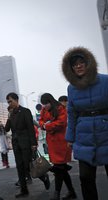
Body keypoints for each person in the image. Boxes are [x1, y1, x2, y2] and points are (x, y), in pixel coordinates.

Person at [62, 46, 108, 200]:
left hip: (106, 132)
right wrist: (70, 138)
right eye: (75, 64)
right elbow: (72, 113)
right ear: (71, 69)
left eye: (81, 62)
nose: (78, 66)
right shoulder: (71, 88)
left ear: (89, 63)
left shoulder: (105, 81)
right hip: (83, 136)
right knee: (85, 178)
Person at [4, 92, 50, 198]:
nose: (9, 103)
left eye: (11, 101)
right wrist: (9, 117)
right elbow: (7, 129)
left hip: (26, 143)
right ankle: (24, 190)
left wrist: (33, 143)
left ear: (16, 100)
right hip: (16, 143)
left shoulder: (25, 111)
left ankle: (44, 177)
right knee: (19, 167)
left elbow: (30, 128)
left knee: (28, 166)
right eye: (8, 102)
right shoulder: (11, 114)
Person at [39, 93, 76, 200]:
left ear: (51, 101)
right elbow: (41, 121)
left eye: (46, 104)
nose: (45, 106)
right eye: (43, 104)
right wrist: (44, 124)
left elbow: (61, 123)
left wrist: (47, 125)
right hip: (52, 142)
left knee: (59, 169)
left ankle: (57, 194)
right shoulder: (44, 110)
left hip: (61, 142)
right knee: (62, 169)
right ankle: (71, 192)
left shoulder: (60, 108)